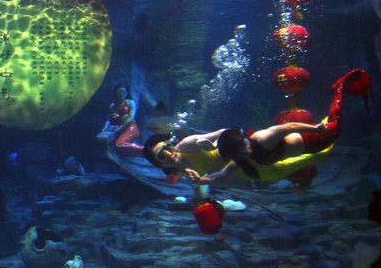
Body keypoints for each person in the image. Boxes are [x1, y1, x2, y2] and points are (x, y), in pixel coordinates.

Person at [143, 68, 371, 185]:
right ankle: (325, 130)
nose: (170, 155)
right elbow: (219, 175)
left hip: (242, 152)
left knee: (319, 147)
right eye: (163, 157)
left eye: (166, 148)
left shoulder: (185, 145)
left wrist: (208, 141)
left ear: (170, 143)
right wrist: (200, 182)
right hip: (246, 166)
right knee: (295, 162)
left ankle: (330, 114)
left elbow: (225, 133)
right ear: (160, 163)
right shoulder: (179, 170)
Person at [101, 84, 143, 157]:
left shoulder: (130, 103)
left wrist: (118, 129)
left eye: (123, 92)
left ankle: (144, 150)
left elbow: (131, 118)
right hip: (118, 129)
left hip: (130, 128)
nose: (121, 94)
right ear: (116, 93)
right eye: (119, 92)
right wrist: (104, 128)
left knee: (119, 144)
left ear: (126, 93)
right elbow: (109, 119)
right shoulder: (112, 105)